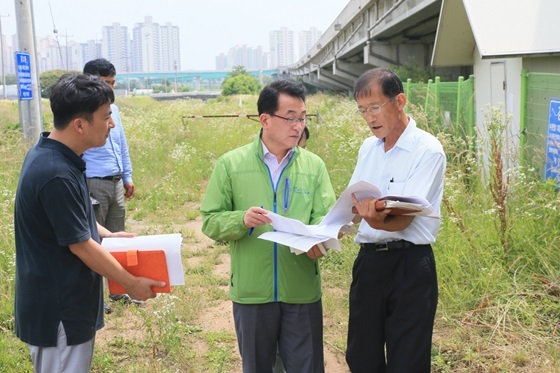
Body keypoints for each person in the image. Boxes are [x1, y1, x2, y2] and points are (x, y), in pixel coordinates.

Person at [13, 73, 164, 373]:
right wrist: (131, 283)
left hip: (66, 305)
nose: (112, 124)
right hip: (59, 312)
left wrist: (109, 234)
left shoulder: (58, 155)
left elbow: (74, 222)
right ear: (80, 124)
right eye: (106, 117)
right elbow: (81, 245)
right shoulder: (56, 172)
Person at [200, 79, 336, 373]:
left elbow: (326, 219)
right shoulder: (231, 164)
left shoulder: (314, 166)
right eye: (290, 118)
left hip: (301, 290)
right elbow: (210, 221)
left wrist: (320, 242)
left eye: (302, 118)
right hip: (252, 292)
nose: (298, 126)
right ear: (265, 119)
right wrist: (241, 220)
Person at [345, 67, 446, 372]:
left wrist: (374, 216)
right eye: (363, 110)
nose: (369, 117)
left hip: (410, 267)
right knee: (361, 357)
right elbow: (354, 202)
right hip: (369, 263)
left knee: (408, 361)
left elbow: (403, 219)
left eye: (375, 107)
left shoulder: (427, 150)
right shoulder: (368, 148)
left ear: (399, 101)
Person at [82, 58, 136, 307]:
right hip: (93, 182)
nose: (111, 88)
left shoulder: (113, 111)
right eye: (106, 83)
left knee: (117, 240)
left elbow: (121, 144)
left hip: (115, 182)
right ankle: (96, 299)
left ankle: (118, 291)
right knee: (93, 241)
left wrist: (127, 176)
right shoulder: (81, 113)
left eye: (113, 83)